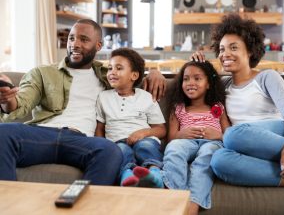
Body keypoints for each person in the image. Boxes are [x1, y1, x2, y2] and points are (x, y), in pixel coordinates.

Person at [0, 19, 166, 185]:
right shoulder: (42, 73)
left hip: (80, 140)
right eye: (71, 38)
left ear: (98, 46)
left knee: (111, 151)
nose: (75, 44)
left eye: (84, 39)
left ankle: (83, 204)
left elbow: (130, 79)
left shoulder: (106, 75)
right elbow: (20, 103)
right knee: (3, 132)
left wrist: (154, 73)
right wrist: (8, 99)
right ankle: (8, 201)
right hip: (42, 134)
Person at [192, 13, 284, 187]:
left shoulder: (267, 77)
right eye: (221, 49)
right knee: (219, 160)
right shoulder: (223, 86)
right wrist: (156, 74)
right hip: (246, 146)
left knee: (233, 135)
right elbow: (193, 89)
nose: (225, 54)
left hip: (276, 134)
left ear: (249, 51)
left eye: (233, 48)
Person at [161, 60, 230, 215]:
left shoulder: (217, 107)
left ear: (208, 84)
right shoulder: (178, 108)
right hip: (185, 142)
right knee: (174, 149)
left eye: (197, 78)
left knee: (207, 156)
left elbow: (229, 135)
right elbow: (171, 139)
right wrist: (181, 134)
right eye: (186, 79)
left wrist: (218, 135)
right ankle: (177, 197)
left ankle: (193, 204)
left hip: (212, 142)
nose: (190, 83)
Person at [95, 48, 166, 188]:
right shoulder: (103, 97)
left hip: (144, 138)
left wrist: (143, 133)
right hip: (116, 142)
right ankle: (127, 176)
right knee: (121, 151)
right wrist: (103, 146)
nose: (112, 72)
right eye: (110, 68)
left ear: (134, 75)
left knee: (145, 146)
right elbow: (100, 128)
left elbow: (161, 129)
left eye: (119, 68)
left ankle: (155, 174)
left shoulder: (146, 97)